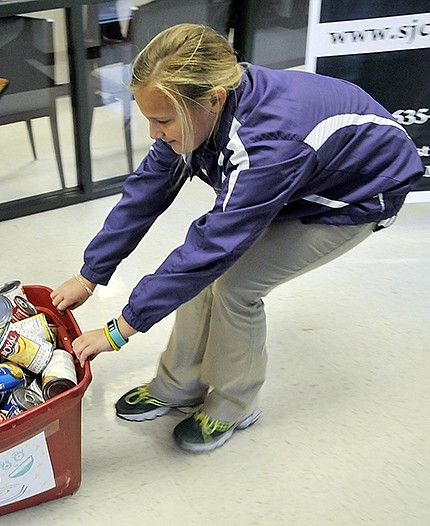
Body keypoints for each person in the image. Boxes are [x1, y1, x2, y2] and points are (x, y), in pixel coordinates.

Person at [50, 23, 423, 454]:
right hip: (302, 174)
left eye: (163, 121)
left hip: (355, 195)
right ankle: (178, 386)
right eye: (149, 119)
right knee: (200, 271)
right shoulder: (202, 100)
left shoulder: (270, 145)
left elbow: (214, 248)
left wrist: (120, 330)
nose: (155, 133)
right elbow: (146, 192)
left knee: (234, 286)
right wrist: (90, 274)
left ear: (214, 100)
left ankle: (234, 404)